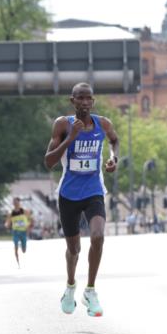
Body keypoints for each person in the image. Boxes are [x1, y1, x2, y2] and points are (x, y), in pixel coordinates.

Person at [44, 82, 119, 317]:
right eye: (80, 98)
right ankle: (70, 286)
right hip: (68, 194)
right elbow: (48, 161)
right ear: (72, 101)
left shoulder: (103, 123)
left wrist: (113, 159)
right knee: (73, 248)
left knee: (98, 236)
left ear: (93, 101)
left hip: (94, 190)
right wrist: (71, 138)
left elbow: (114, 141)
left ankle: (90, 290)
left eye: (89, 98)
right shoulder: (63, 125)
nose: (85, 103)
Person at [4, 197, 33, 267]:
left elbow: (30, 219)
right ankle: (18, 263)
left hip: (23, 232)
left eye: (16, 202)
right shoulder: (12, 213)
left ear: (19, 202)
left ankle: (21, 246)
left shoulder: (24, 211)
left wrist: (28, 226)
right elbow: (8, 221)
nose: (15, 203)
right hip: (15, 232)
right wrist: (6, 225)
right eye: (14, 202)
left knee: (24, 250)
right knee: (15, 247)